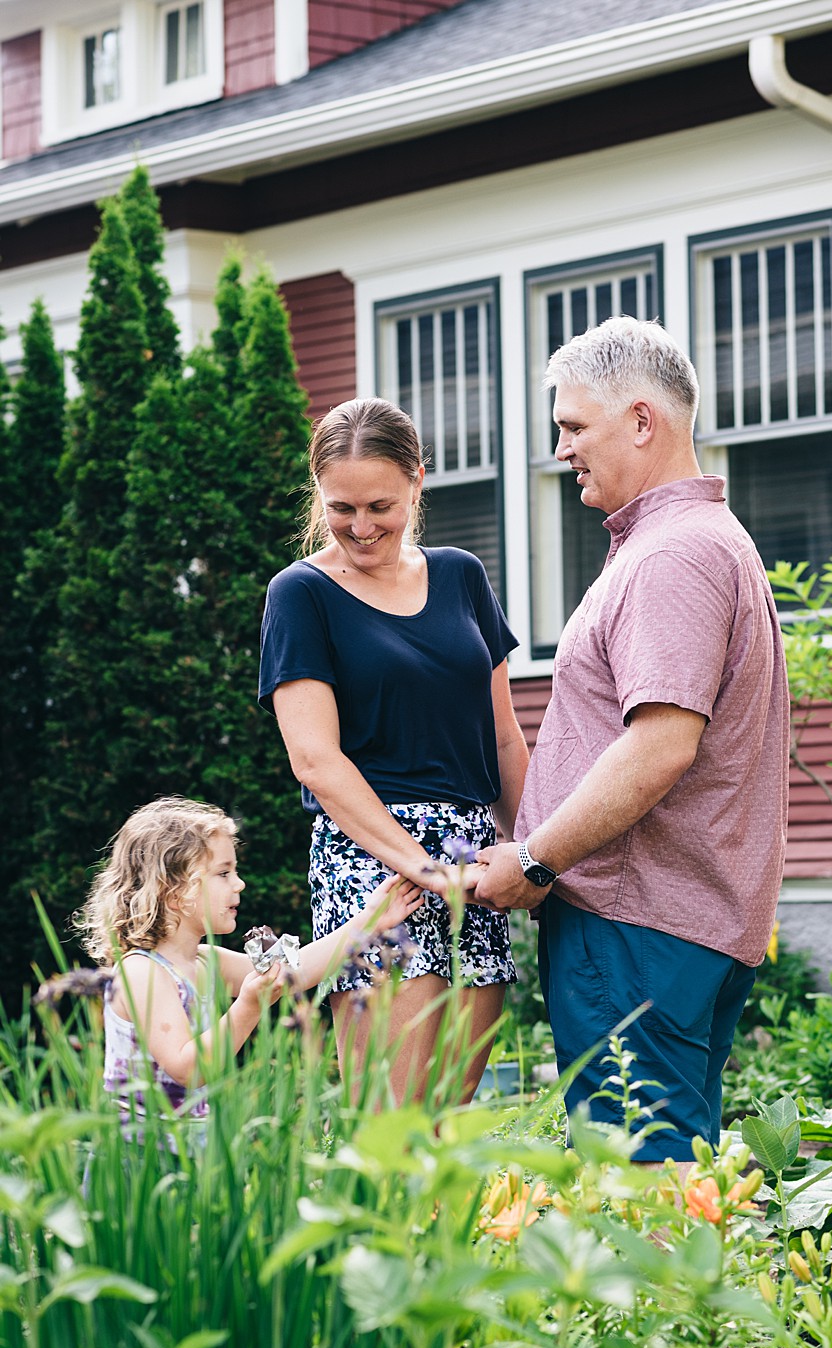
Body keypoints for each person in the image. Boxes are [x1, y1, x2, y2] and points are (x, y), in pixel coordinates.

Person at [468, 316, 789, 1162]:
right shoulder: (692, 543)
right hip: (671, 922)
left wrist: (535, 858)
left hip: (638, 923)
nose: (562, 448)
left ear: (642, 421)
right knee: (671, 1174)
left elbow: (659, 748)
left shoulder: (671, 558)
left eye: (575, 426)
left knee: (642, 1190)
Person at [259, 398, 530, 1106]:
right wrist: (419, 866)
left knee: (447, 1118)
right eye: (340, 506)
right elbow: (315, 759)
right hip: (375, 867)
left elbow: (501, 737)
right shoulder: (301, 594)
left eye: (380, 504)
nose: (360, 525)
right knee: (392, 1123)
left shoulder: (462, 576)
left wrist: (536, 854)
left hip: (472, 858)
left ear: (417, 480)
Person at [78, 796, 422, 1126]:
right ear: (174, 889)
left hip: (192, 1151)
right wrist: (249, 1006)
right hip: (141, 1159)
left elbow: (294, 972)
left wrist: (369, 921)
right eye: (223, 873)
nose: (239, 884)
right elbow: (189, 1069)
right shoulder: (142, 972)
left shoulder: (206, 961)